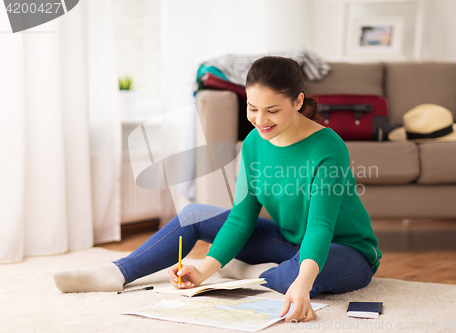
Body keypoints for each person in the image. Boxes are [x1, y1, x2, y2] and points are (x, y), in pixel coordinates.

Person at [53, 56, 382, 324]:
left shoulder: (328, 147)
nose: (260, 120)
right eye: (253, 108)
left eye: (272, 110)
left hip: (346, 250)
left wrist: (301, 285)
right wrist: (205, 268)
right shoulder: (254, 143)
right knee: (195, 214)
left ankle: (256, 274)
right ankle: (116, 273)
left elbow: (321, 227)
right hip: (289, 241)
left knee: (309, 278)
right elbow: (242, 217)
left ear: (297, 102)